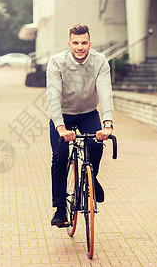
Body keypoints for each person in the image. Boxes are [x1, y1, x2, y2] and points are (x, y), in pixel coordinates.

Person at [46, 23, 114, 227]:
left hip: (88, 113)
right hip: (63, 116)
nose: (80, 47)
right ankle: (59, 209)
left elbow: (105, 92)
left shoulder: (100, 61)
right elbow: (53, 96)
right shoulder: (56, 62)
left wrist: (108, 123)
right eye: (75, 43)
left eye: (84, 42)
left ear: (90, 43)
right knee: (59, 156)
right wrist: (60, 128)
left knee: (95, 145)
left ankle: (91, 179)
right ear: (69, 44)